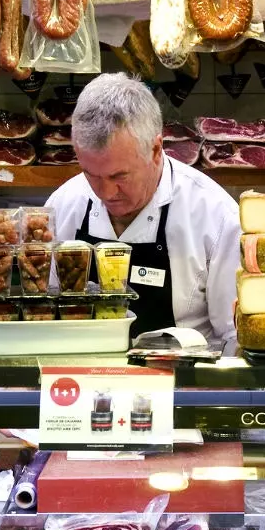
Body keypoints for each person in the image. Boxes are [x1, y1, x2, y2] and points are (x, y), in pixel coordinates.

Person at [48, 73, 241, 343]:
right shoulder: (63, 205)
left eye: (119, 177)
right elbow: (44, 316)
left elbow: (234, 338)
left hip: (180, 379)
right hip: (82, 379)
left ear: (155, 150)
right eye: (90, 174)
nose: (104, 193)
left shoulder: (214, 215)